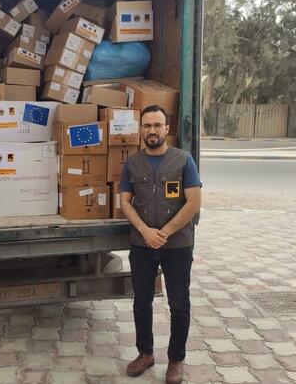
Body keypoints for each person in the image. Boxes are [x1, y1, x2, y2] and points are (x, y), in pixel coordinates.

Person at [120, 104, 202, 383]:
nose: (151, 131)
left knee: (179, 303)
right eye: (146, 125)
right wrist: (145, 231)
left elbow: (193, 203)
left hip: (177, 246)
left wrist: (163, 232)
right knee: (141, 301)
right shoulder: (132, 163)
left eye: (157, 125)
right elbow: (125, 202)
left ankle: (176, 359)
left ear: (167, 129)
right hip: (142, 245)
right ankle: (145, 353)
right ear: (141, 129)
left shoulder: (183, 160)